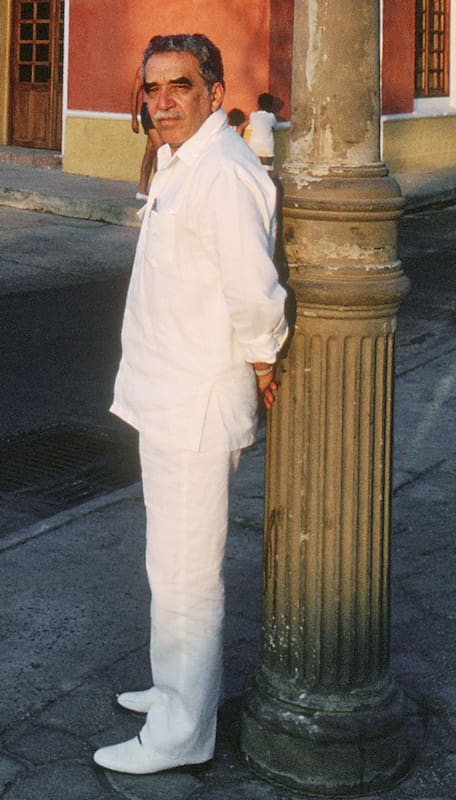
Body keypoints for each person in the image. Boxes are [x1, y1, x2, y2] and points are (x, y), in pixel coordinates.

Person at [94, 33, 288, 775]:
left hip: (195, 402)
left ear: (214, 90)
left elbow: (252, 288)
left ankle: (182, 732)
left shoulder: (224, 172)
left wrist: (265, 358)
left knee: (186, 575)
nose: (163, 100)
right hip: (163, 390)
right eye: (152, 88)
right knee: (165, 564)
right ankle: (174, 688)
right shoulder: (181, 161)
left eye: (179, 85)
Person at [130, 70, 164, 200]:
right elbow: (134, 94)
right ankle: (158, 191)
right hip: (149, 110)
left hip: (159, 110)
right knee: (161, 150)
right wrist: (134, 118)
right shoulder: (142, 71)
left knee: (150, 150)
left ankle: (142, 190)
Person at [247, 92, 278, 169]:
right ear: (271, 106)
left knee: (254, 169)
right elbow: (275, 127)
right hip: (267, 149)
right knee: (267, 171)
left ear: (258, 104)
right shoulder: (271, 116)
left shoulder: (252, 115)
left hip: (254, 148)